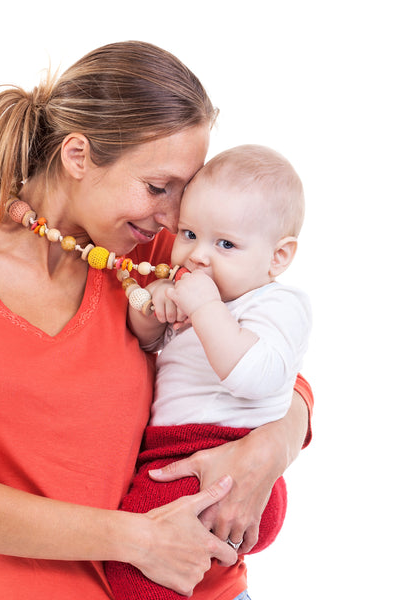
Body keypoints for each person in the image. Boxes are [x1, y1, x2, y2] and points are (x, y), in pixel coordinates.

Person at [0, 41, 314, 600]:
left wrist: (267, 452)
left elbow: (274, 360)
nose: (174, 217)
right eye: (158, 187)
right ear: (78, 157)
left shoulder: (161, 255)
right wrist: (136, 540)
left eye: (185, 192)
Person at [105, 144, 312, 599]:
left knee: (133, 571)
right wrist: (153, 307)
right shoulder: (197, 293)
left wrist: (204, 308)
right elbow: (145, 344)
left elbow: (256, 376)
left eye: (225, 244)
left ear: (278, 257)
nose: (197, 255)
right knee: (147, 558)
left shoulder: (277, 304)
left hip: (229, 458)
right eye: (189, 234)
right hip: (168, 454)